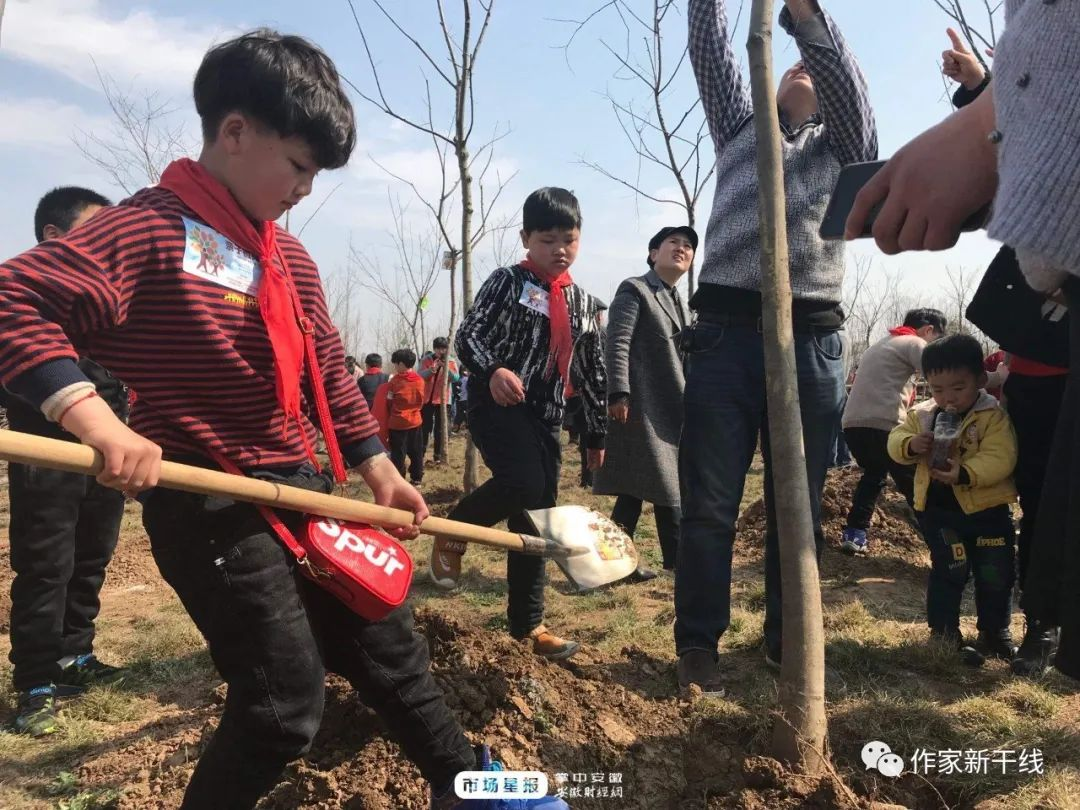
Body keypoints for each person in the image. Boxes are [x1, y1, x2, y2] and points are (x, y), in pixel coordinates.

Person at [0, 30, 566, 810]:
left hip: (302, 489)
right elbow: (15, 300)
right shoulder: (150, 230)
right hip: (211, 505)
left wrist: (383, 472)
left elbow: (330, 373)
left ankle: (466, 785)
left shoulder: (289, 259)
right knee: (282, 705)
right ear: (235, 133)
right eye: (298, 166)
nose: (305, 188)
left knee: (390, 644)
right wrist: (101, 424)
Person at [676, 0, 877, 691]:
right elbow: (710, 46)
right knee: (708, 504)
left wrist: (802, 15)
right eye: (785, 59)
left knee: (799, 503)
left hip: (811, 339)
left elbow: (845, 85)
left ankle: (786, 642)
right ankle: (698, 645)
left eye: (809, 65)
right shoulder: (741, 126)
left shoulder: (842, 145)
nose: (797, 67)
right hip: (725, 336)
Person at [429, 187, 607, 661]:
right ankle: (455, 529)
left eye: (568, 239)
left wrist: (595, 435)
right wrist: (493, 371)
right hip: (497, 405)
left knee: (537, 517)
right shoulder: (507, 282)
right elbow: (469, 335)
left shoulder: (585, 303)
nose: (559, 249)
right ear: (526, 238)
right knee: (524, 483)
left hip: (547, 415)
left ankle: (528, 626)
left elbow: (591, 372)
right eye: (547, 239)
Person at [3, 186, 128, 737]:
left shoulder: (103, 317)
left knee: (92, 557)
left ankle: (76, 656)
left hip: (104, 464)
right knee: (46, 567)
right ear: (54, 239)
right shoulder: (25, 312)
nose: (108, 249)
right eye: (96, 233)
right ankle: (34, 682)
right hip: (46, 460)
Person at [888, 335, 1018, 667]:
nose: (948, 398)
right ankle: (944, 633)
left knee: (995, 572)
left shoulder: (992, 416)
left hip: (988, 511)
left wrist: (966, 472)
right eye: (938, 389)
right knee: (950, 569)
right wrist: (911, 444)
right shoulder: (922, 416)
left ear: (979, 379)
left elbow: (1001, 457)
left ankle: (995, 632)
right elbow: (895, 440)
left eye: (958, 388)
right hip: (940, 512)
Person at [594, 226, 696, 581]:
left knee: (638, 489)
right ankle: (674, 562)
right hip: (640, 405)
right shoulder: (635, 289)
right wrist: (619, 393)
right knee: (659, 486)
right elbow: (617, 341)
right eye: (673, 243)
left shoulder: (680, 301)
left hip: (671, 407)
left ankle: (617, 564)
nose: (681, 249)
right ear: (653, 253)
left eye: (688, 247)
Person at [839, 308, 947, 554]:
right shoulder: (915, 342)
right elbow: (942, 375)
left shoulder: (882, 343)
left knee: (874, 476)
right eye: (937, 340)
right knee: (914, 484)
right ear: (928, 330)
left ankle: (855, 533)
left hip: (853, 425)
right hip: (883, 425)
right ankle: (942, 547)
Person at [386, 348, 425, 486]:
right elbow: (421, 401)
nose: (395, 367)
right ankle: (417, 478)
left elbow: (389, 401)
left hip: (397, 423)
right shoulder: (420, 380)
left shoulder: (395, 382)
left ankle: (399, 480)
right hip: (416, 421)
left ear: (401, 364)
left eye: (396, 364)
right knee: (416, 451)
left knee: (398, 453)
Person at [420, 337, 460, 465]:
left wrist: (446, 367)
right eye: (438, 348)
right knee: (425, 427)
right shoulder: (427, 359)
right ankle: (420, 453)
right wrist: (431, 370)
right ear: (434, 348)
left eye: (443, 348)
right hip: (427, 399)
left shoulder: (451, 361)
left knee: (440, 429)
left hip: (443, 400)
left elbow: (455, 378)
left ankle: (437, 456)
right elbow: (420, 375)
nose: (440, 351)